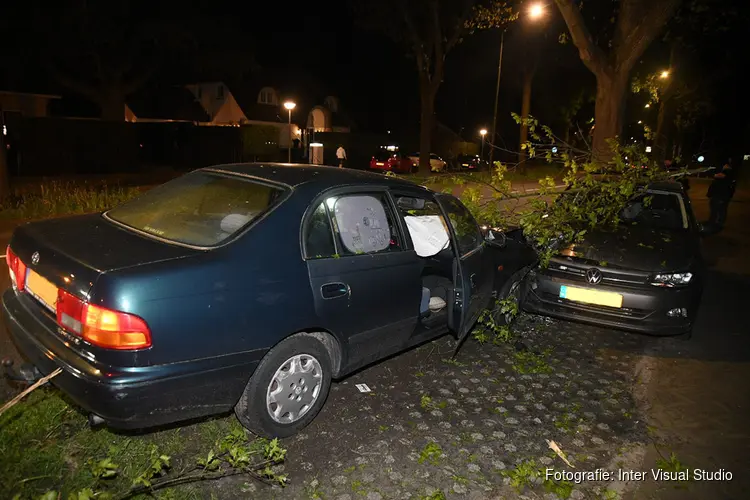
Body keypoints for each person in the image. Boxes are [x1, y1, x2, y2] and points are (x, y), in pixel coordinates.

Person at [707, 160, 734, 229]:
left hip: (720, 196)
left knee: (717, 209)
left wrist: (709, 194)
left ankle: (715, 222)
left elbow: (715, 180)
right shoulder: (728, 177)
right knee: (719, 210)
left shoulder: (725, 175)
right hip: (721, 196)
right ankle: (716, 222)